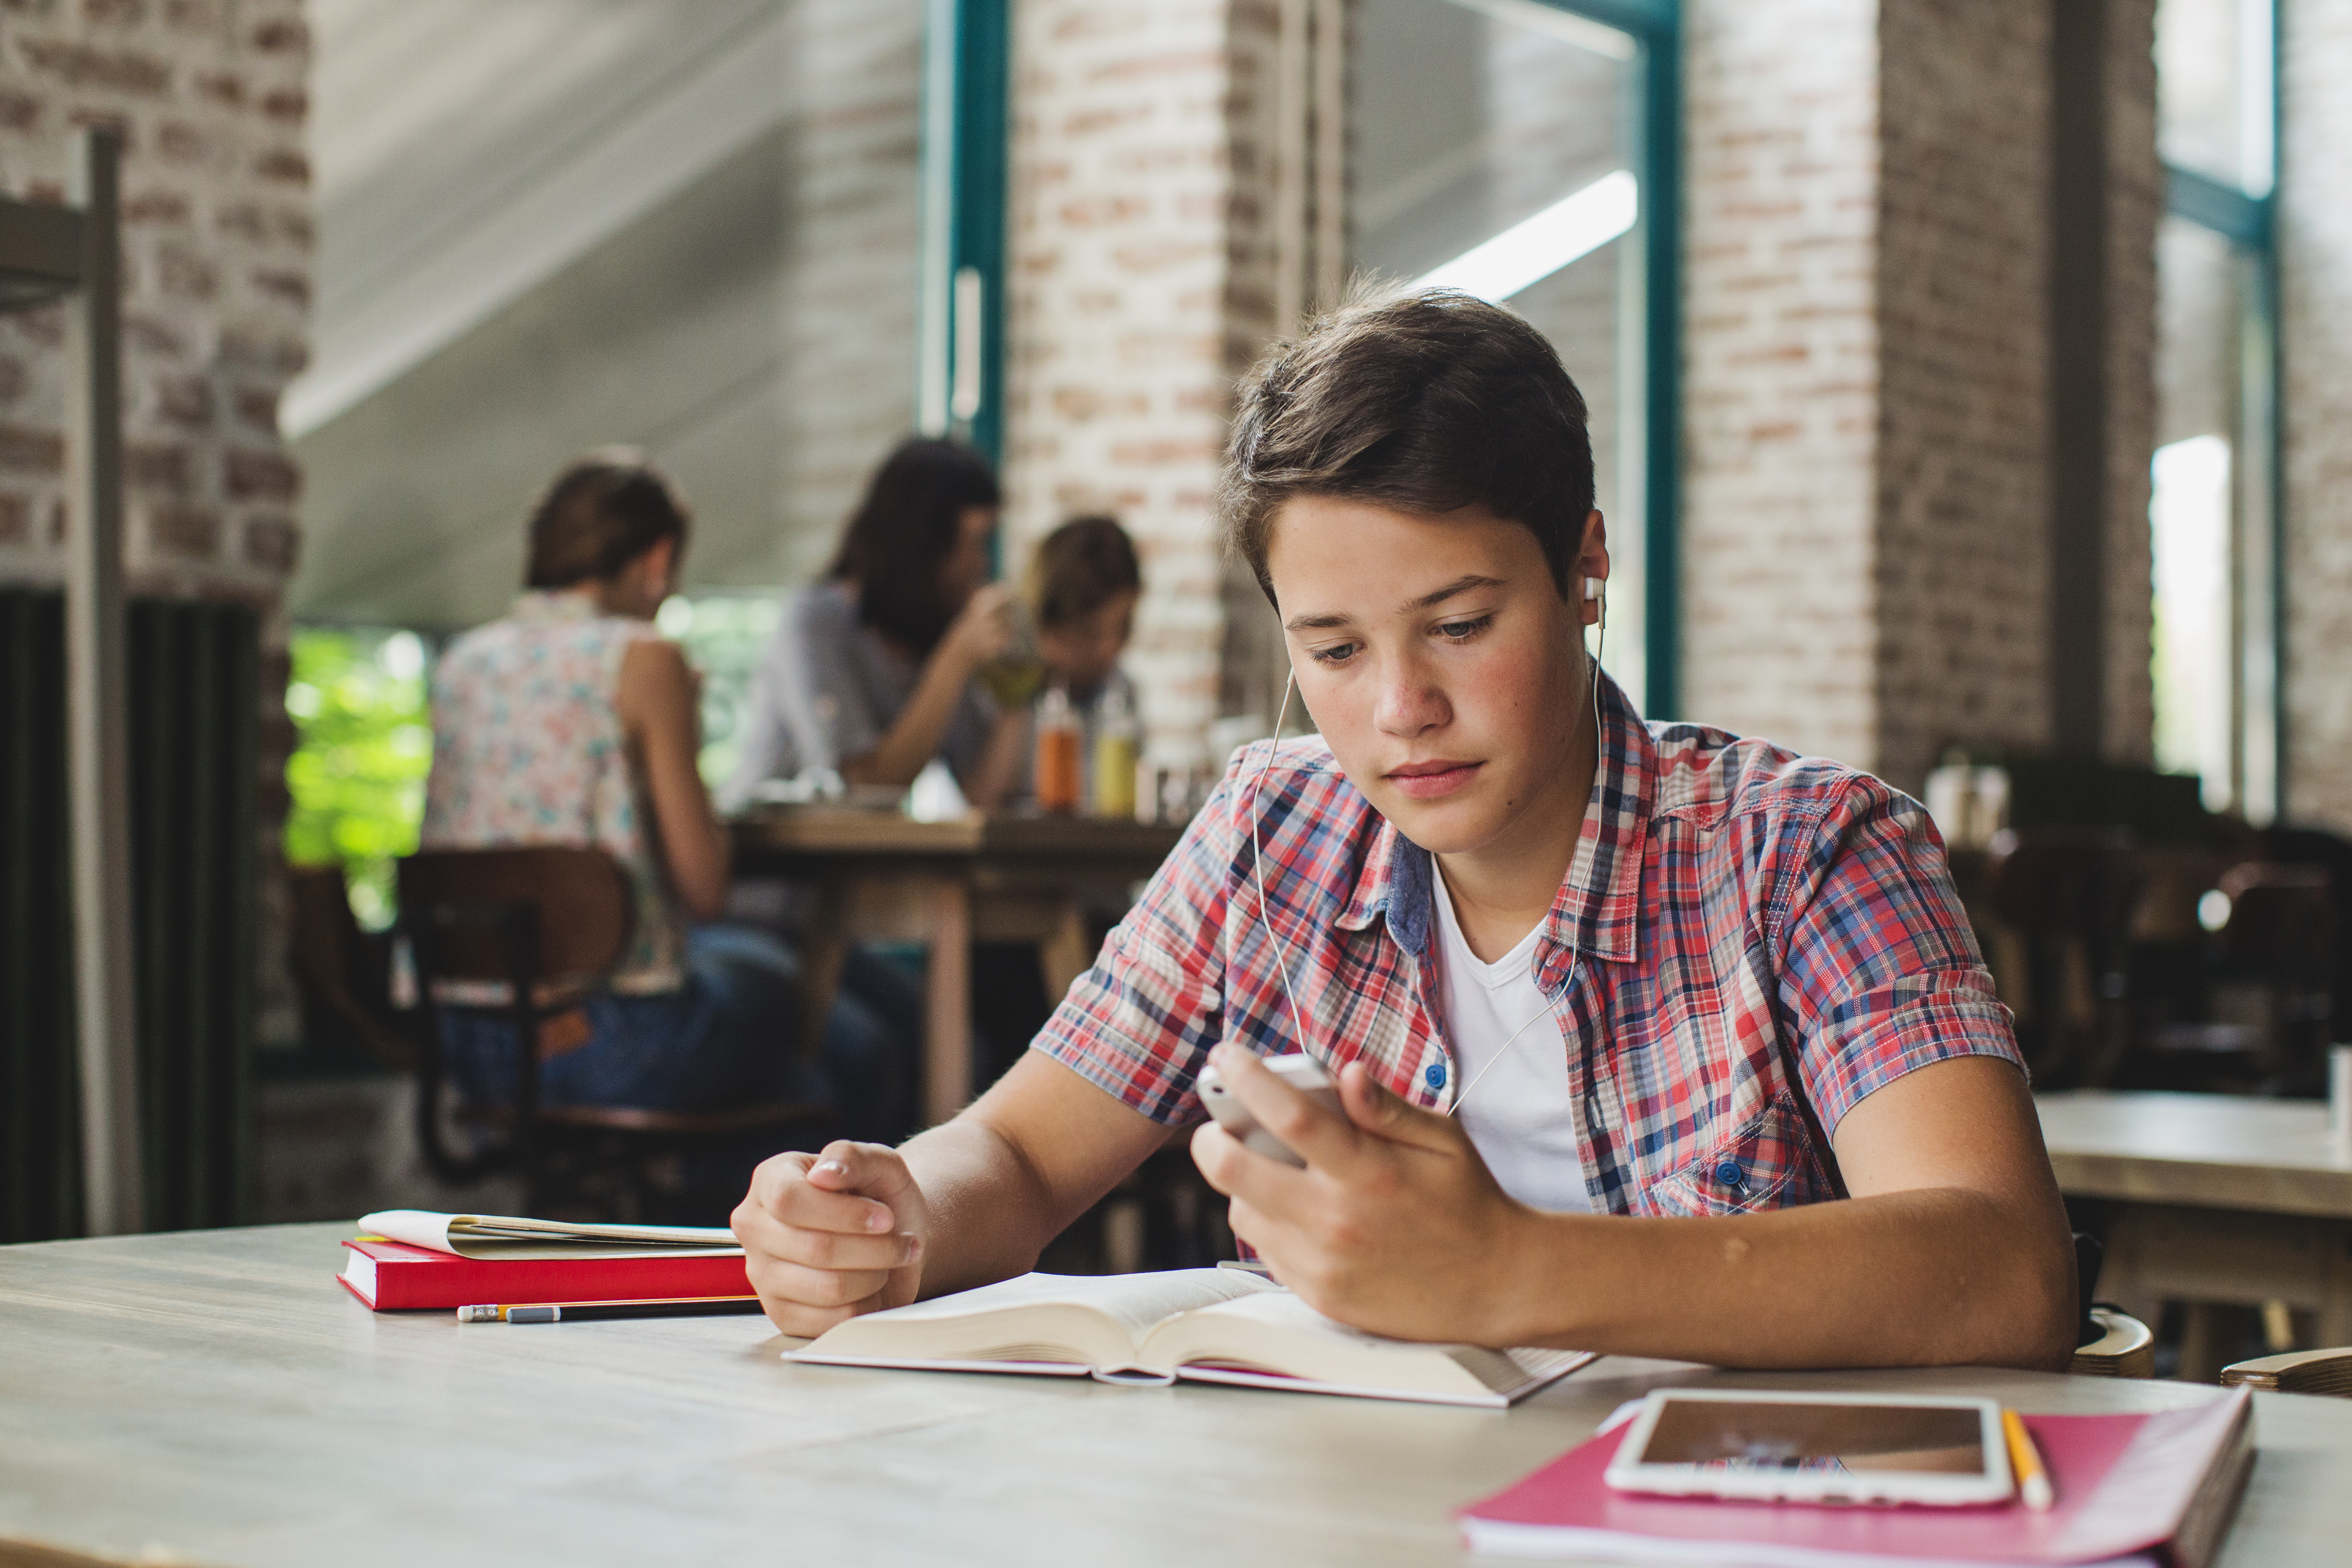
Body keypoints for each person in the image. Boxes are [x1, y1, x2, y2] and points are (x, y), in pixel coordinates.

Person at [730, 291, 2078, 1371]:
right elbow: (1018, 1154)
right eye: (1331, 646)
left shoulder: (1807, 847)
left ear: (1582, 571)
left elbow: (2004, 1265)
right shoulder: (1273, 825)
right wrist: (888, 1216)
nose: (1401, 710)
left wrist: (1508, 1270)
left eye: (1458, 624)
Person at [420, 452, 899, 1129]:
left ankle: (675, 1197)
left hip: (471, 1048)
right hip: (609, 1040)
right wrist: (686, 727)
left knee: (815, 1052)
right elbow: (705, 889)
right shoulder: (643, 657)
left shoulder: (462, 662)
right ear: (657, 558)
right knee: (797, 992)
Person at [723, 439, 1026, 813]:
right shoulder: (816, 619)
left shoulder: (934, 640)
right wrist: (956, 658)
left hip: (865, 862)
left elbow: (985, 798)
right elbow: (860, 787)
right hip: (774, 860)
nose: (981, 565)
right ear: (926, 542)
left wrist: (1021, 686)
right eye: (976, 543)